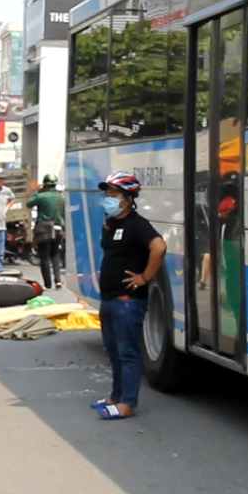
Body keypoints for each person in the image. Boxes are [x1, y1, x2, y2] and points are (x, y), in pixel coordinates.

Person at [91, 171, 166, 421]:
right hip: (110, 298)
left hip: (127, 301)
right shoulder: (110, 222)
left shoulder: (137, 224)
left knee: (127, 353)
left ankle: (127, 404)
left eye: (113, 195)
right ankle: (115, 395)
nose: (108, 199)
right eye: (107, 194)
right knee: (113, 351)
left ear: (128, 198)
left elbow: (159, 247)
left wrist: (144, 277)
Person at [27, 174, 66, 289]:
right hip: (58, 228)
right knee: (55, 254)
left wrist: (36, 191)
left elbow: (29, 203)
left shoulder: (41, 196)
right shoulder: (61, 197)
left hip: (44, 229)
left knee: (44, 256)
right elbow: (63, 213)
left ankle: (47, 283)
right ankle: (58, 280)